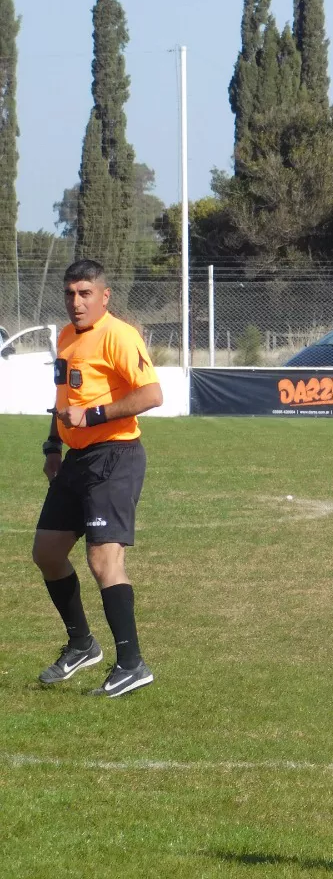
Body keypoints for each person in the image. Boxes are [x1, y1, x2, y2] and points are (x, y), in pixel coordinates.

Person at [33, 259, 163, 698]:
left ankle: (131, 664)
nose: (76, 301)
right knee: (47, 553)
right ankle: (82, 644)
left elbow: (152, 394)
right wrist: (54, 446)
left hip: (115, 456)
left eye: (85, 293)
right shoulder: (68, 337)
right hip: (76, 459)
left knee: (104, 561)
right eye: (70, 293)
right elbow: (62, 398)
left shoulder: (120, 336)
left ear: (104, 296)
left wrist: (91, 415)